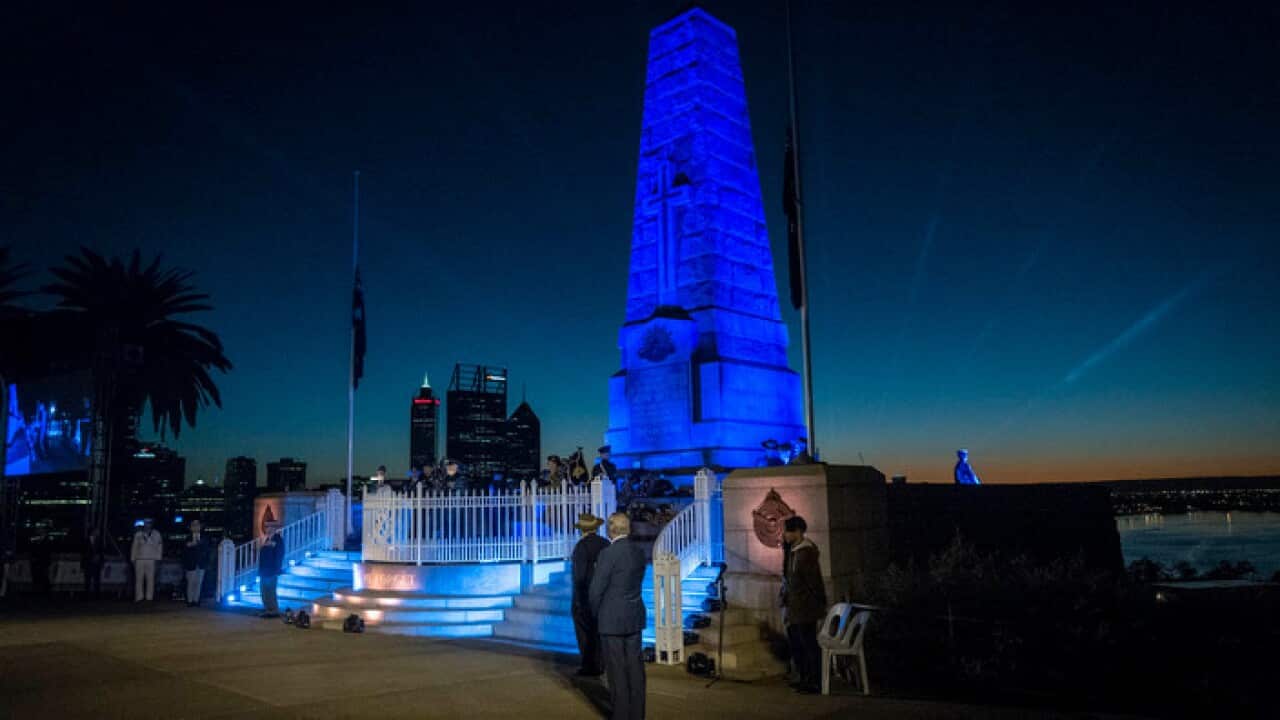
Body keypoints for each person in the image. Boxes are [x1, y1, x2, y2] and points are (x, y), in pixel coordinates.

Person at [589, 512, 647, 720]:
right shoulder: (638, 552)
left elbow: (596, 590)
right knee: (635, 668)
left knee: (616, 670)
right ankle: (638, 714)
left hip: (611, 618)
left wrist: (596, 613)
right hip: (633, 614)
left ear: (611, 530)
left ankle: (621, 715)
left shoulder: (608, 554)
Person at [780, 515, 826, 694]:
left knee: (808, 643)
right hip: (795, 607)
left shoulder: (806, 553)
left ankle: (815, 680)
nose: (784, 535)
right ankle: (804, 676)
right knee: (797, 643)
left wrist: (818, 603)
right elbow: (788, 577)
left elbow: (813, 582)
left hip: (805, 607)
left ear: (797, 532)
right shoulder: (794, 551)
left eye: (787, 531)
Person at [571, 513, 609, 677]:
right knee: (599, 631)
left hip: (586, 595)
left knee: (585, 632)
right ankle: (601, 663)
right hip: (604, 594)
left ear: (582, 530)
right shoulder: (606, 543)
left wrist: (578, 600)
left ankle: (589, 665)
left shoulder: (582, 546)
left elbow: (579, 576)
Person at [130, 518, 163, 602]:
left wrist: (158, 559)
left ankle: (149, 597)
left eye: (149, 523)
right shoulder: (138, 534)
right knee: (139, 579)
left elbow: (159, 548)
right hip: (139, 559)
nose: (147, 525)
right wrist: (133, 559)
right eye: (146, 523)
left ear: (151, 524)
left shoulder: (156, 534)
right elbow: (134, 547)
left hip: (152, 559)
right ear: (144, 524)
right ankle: (139, 597)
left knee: (150, 579)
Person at [258, 520, 285, 618]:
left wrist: (277, 569)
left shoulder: (277, 540)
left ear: (274, 528)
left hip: (271, 570)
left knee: (270, 591)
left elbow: (279, 555)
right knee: (264, 591)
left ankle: (273, 610)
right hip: (264, 570)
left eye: (269, 527)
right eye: (266, 527)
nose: (267, 529)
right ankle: (267, 609)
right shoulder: (267, 540)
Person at [181, 519, 210, 606]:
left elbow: (207, 550)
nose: (196, 526)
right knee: (191, 582)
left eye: (197, 525)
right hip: (191, 563)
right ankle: (190, 601)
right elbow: (184, 551)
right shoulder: (187, 538)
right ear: (190, 527)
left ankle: (196, 600)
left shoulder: (204, 538)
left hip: (201, 563)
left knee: (199, 582)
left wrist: (207, 562)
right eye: (193, 525)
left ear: (201, 527)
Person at [80, 531, 104, 598]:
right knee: (87, 580)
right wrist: (82, 564)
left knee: (97, 580)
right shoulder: (85, 541)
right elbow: (83, 553)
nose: (98, 533)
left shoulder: (99, 541)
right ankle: (87, 595)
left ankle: (97, 595)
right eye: (96, 532)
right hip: (88, 563)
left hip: (96, 563)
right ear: (93, 532)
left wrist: (101, 562)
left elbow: (101, 552)